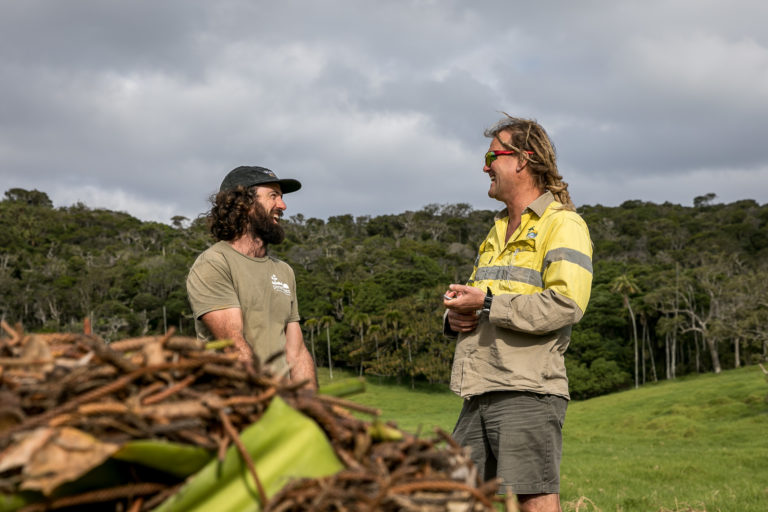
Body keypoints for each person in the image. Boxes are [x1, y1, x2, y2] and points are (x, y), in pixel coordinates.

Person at [443, 115, 593, 512]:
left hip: (528, 389)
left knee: (534, 500)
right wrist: (457, 317)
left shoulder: (563, 224)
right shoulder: (494, 230)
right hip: (479, 389)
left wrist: (487, 302)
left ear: (523, 160)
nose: (484, 165)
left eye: (492, 154)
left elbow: (567, 304)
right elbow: (483, 302)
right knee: (453, 497)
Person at [186, 165, 316, 388]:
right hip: (238, 406)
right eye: (273, 196)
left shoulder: (284, 271)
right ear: (244, 204)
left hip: (283, 407)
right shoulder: (214, 264)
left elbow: (297, 352)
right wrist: (272, 401)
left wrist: (312, 409)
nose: (282, 205)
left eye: (281, 197)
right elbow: (234, 347)